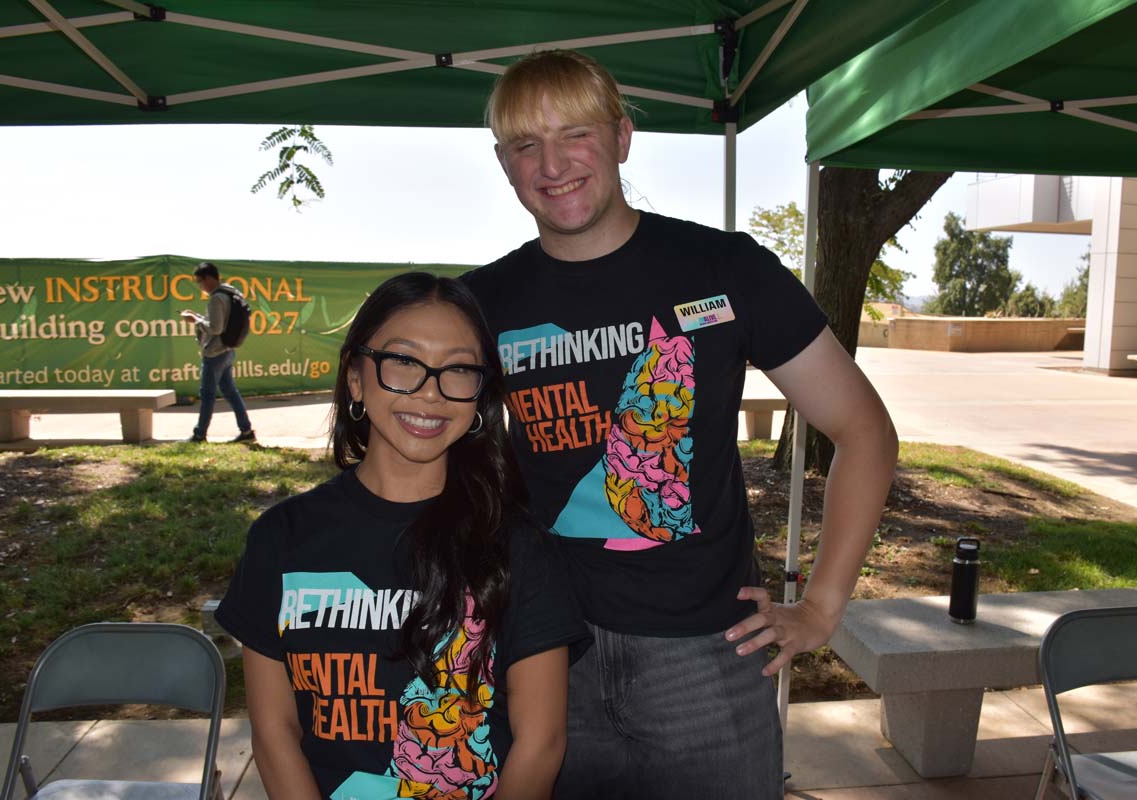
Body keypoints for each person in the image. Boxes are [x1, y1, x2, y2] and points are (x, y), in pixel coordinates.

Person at [463, 50, 899, 799]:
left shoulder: (725, 270)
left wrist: (823, 607)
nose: (553, 163)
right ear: (503, 163)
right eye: (525, 144)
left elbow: (864, 430)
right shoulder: (482, 302)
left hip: (708, 656)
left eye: (576, 134)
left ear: (623, 137)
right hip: (545, 655)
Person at [214, 272, 589, 800]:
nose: (430, 393)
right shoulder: (281, 539)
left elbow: (541, 742)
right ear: (355, 378)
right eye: (404, 362)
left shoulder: (517, 544)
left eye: (458, 369)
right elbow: (276, 732)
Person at [180, 261, 255, 443]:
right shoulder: (230, 291)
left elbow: (215, 328)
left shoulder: (216, 298)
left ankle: (200, 434)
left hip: (215, 353)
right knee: (230, 391)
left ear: (209, 279)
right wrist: (198, 316)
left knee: (207, 394)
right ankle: (246, 431)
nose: (200, 286)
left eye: (200, 282)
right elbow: (220, 322)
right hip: (228, 350)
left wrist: (194, 321)